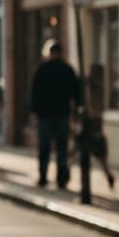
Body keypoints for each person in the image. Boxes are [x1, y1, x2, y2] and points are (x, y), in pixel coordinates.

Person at [30, 41, 79, 189]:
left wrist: (34, 112)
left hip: (46, 115)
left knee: (45, 147)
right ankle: (61, 179)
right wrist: (76, 112)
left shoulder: (42, 69)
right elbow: (76, 93)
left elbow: (35, 93)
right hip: (61, 114)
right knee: (61, 147)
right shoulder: (67, 69)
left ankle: (43, 177)